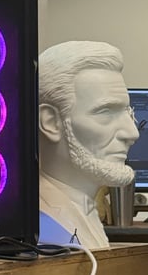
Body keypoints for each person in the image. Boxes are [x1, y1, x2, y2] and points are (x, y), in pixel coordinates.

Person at [38, 40, 139, 248]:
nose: (132, 133)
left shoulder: (85, 209)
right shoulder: (43, 222)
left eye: (129, 114)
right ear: (51, 122)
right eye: (106, 112)